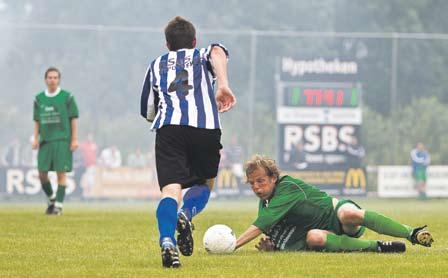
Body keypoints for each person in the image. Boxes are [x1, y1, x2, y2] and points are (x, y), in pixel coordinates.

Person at [139, 16, 236, 268]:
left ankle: (167, 241)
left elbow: (148, 110)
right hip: (205, 127)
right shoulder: (204, 54)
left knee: (170, 190)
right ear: (194, 41)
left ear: (167, 44)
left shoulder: (155, 64)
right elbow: (218, 51)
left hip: (169, 129)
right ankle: (187, 213)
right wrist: (222, 85)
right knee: (205, 182)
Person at [235, 155, 433, 253]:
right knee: (314, 238)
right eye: (252, 183)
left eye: (260, 181)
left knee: (349, 214)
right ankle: (379, 247)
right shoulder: (266, 204)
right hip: (322, 231)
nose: (256, 187)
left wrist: (232, 245)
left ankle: (412, 233)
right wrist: (275, 247)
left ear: (273, 178)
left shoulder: (287, 187)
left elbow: (262, 224)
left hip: (334, 214)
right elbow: (277, 230)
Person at [32, 67, 79, 215]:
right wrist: (35, 138)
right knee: (41, 173)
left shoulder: (67, 97)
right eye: (50, 77)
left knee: (61, 173)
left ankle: (58, 206)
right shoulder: (39, 98)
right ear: (45, 80)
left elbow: (73, 118)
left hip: (62, 140)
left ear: (59, 80)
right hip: (45, 140)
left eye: (55, 77)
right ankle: (52, 198)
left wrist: (74, 139)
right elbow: (37, 120)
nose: (52, 80)